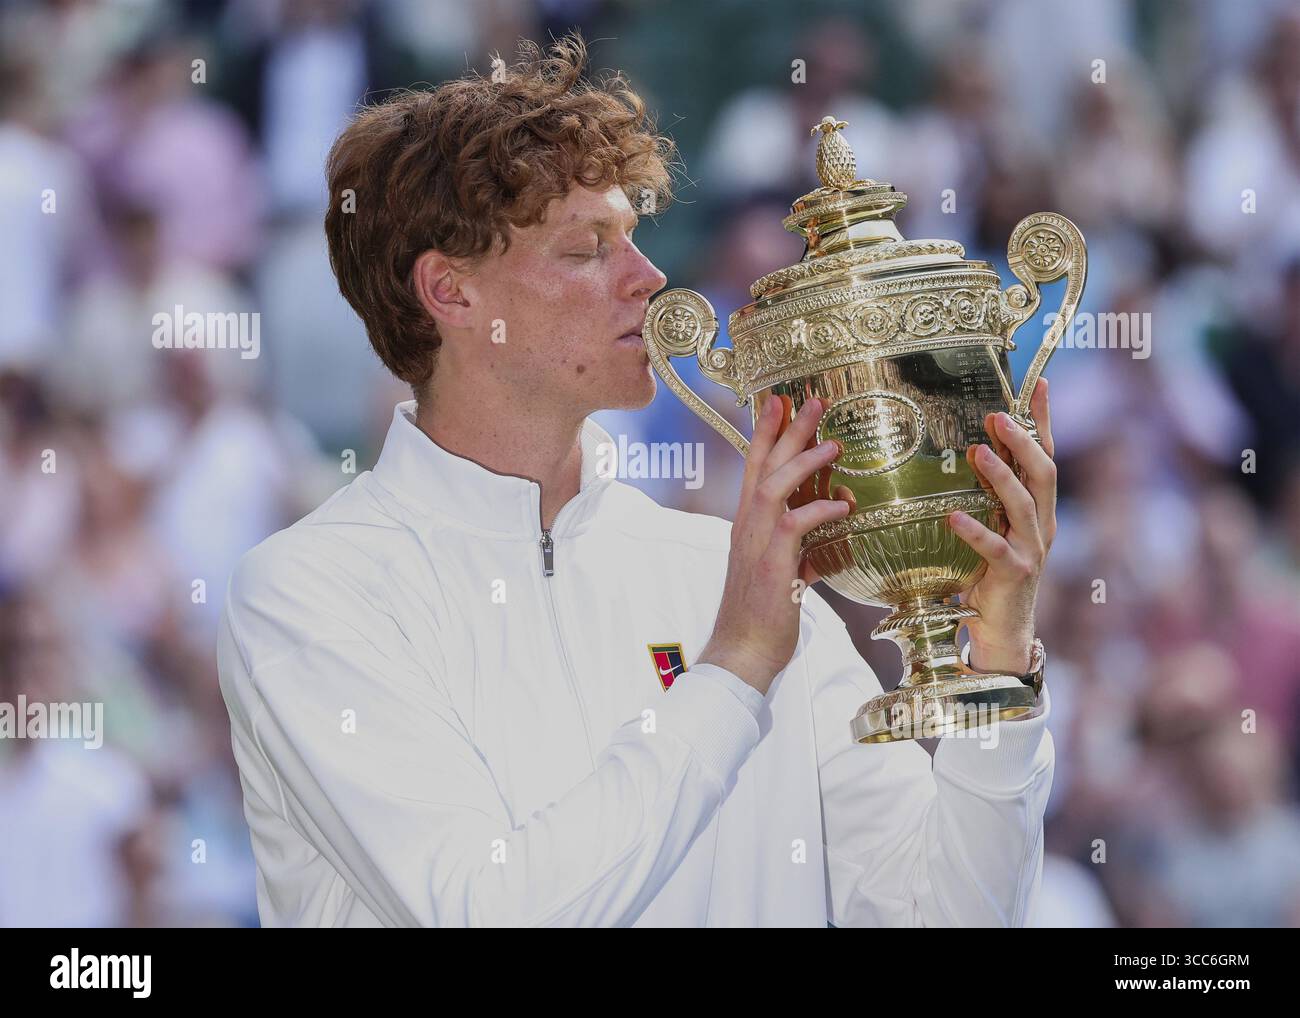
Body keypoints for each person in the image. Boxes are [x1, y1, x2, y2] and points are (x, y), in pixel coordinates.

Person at [216, 33, 1058, 927]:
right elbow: (484, 912)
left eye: (635, 236)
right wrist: (731, 672)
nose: (647, 278)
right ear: (452, 294)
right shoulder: (308, 594)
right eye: (587, 250)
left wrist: (998, 679)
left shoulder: (738, 581)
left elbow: (946, 918)